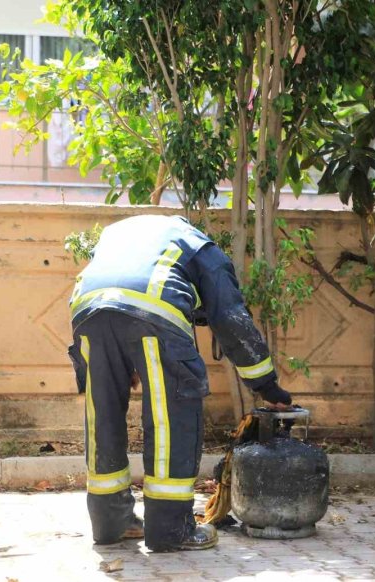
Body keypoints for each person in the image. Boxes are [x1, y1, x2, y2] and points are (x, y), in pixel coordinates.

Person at [67, 214, 292, 552]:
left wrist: (124, 359)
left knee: (104, 419)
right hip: (154, 312)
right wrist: (267, 385)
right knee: (170, 419)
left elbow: (117, 299)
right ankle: (171, 529)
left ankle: (110, 523)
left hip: (88, 311)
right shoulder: (199, 246)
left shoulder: (125, 235)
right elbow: (230, 319)